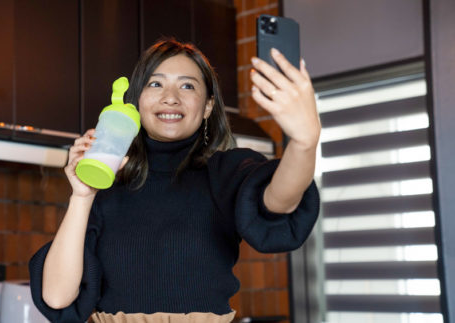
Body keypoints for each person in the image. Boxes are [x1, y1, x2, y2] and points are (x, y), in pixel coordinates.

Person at [29, 39, 321, 323]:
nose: (171, 97)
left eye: (187, 85)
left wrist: (304, 142)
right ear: (136, 101)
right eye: (155, 84)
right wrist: (82, 195)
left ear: (207, 107)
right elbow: (57, 298)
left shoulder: (225, 172)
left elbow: (279, 201)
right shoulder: (109, 184)